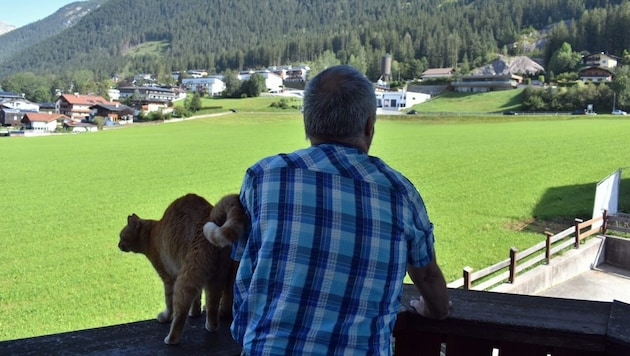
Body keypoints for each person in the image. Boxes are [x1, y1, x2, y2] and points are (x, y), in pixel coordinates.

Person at [231, 65, 450, 355]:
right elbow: (428, 276)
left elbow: (241, 261)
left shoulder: (264, 177)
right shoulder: (399, 193)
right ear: (369, 126)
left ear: (307, 123)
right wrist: (435, 311)